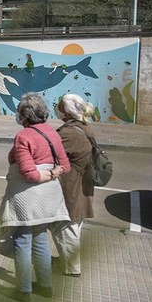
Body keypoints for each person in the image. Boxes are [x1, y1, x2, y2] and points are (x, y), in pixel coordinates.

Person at [0, 93, 70, 302]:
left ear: (24, 115)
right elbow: (64, 165)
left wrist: (46, 174)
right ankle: (46, 285)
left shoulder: (24, 136)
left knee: (21, 239)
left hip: (27, 197)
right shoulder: (52, 132)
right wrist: (54, 173)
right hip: (48, 198)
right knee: (40, 238)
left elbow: (29, 173)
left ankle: (23, 289)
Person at [53, 94, 96, 278]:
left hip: (72, 185)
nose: (57, 109)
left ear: (68, 112)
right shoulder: (83, 126)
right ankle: (69, 261)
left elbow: (50, 151)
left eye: (60, 106)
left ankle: (72, 268)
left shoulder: (68, 133)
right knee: (74, 224)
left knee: (67, 225)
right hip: (81, 182)